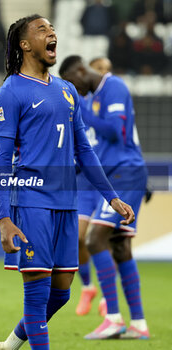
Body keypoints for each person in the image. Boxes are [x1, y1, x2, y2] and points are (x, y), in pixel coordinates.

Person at [0, 14, 135, 350]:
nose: (51, 33)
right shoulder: (10, 92)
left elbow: (84, 150)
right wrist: (3, 217)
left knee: (62, 291)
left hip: (66, 202)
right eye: (42, 30)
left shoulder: (68, 91)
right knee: (38, 295)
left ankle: (10, 344)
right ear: (24, 45)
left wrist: (111, 197)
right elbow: (2, 160)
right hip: (30, 202)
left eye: (52, 29)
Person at [59, 55, 150, 340]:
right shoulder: (94, 96)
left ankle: (112, 317)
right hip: (113, 176)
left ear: (80, 71)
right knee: (120, 247)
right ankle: (139, 323)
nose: (75, 90)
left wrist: (80, 111)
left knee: (94, 239)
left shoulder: (114, 88)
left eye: (73, 83)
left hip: (125, 173)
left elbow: (115, 132)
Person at [75, 56, 113, 317]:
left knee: (100, 239)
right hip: (81, 182)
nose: (104, 75)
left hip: (107, 180)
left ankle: (109, 298)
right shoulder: (75, 101)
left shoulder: (113, 102)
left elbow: (123, 136)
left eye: (108, 71)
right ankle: (88, 287)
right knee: (78, 238)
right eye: (100, 70)